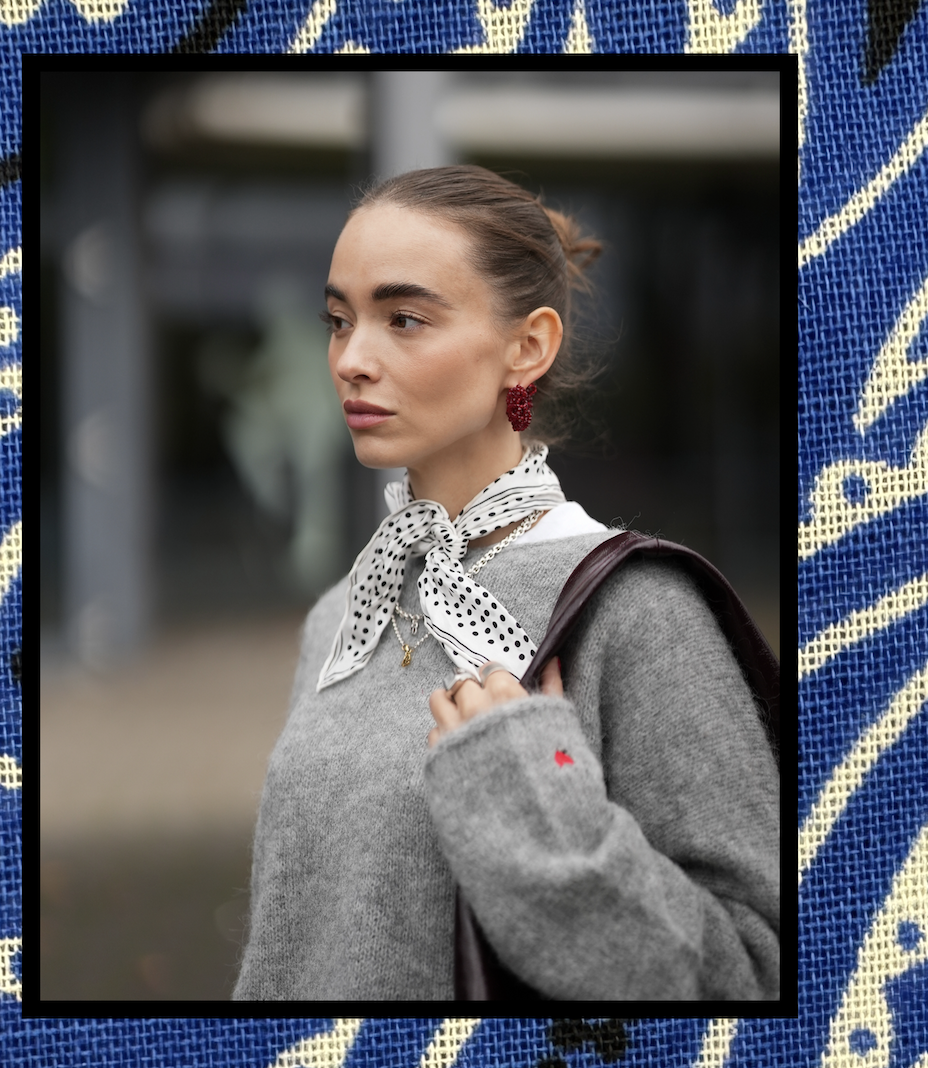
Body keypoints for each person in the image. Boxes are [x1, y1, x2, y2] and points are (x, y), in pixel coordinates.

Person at [232, 164, 779, 1000]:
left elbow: (754, 974)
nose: (351, 360)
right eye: (339, 321)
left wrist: (525, 787)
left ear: (528, 347)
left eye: (404, 319)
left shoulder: (637, 609)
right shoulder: (343, 615)